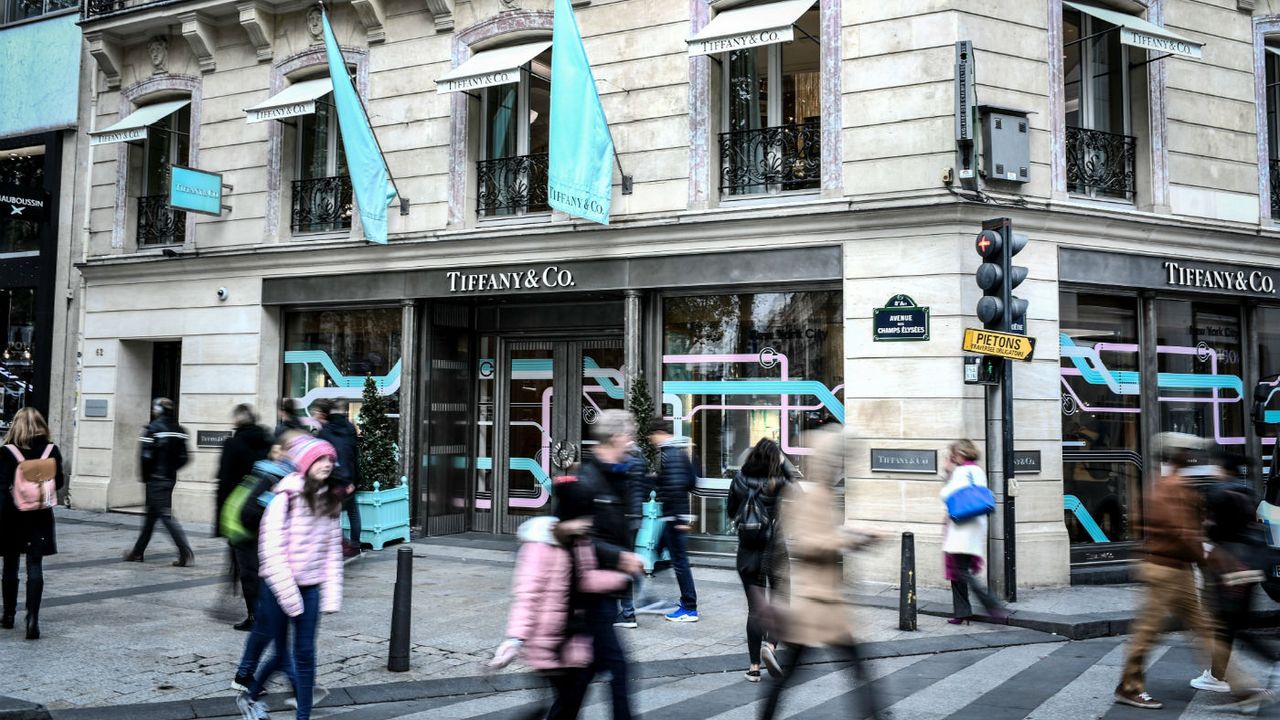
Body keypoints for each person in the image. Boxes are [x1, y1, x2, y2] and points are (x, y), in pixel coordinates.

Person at [1114, 433, 1261, 710]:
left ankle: (1242, 687)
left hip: (1177, 569)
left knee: (1206, 628)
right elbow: (1183, 533)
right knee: (1149, 631)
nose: (1194, 456)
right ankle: (1128, 687)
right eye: (1188, 451)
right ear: (1177, 454)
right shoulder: (1170, 486)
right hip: (1163, 569)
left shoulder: (1174, 484)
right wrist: (1216, 559)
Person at [760, 425, 883, 720]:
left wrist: (851, 536)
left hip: (824, 602)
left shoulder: (823, 494)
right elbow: (806, 543)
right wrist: (850, 537)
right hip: (814, 603)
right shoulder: (809, 496)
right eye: (837, 460)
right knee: (851, 670)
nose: (840, 467)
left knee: (850, 669)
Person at [236, 436, 343, 720]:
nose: (327, 465)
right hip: (278, 587)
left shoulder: (331, 500)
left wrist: (331, 594)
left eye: (330, 459)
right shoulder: (285, 497)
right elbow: (271, 551)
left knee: (305, 655)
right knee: (282, 653)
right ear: (306, 463)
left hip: (310, 586)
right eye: (321, 459)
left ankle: (302, 717)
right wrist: (290, 596)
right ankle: (250, 696)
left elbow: (332, 552)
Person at [489, 514, 630, 719]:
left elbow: (586, 579)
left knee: (570, 702)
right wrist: (514, 640)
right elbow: (526, 597)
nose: (587, 526)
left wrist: (621, 579)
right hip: (547, 644)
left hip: (573, 641)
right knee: (569, 702)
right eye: (581, 520)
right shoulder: (537, 548)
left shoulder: (579, 543)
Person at [559, 409, 644, 720]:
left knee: (587, 672)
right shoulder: (585, 481)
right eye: (630, 436)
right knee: (616, 666)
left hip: (604, 587)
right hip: (586, 592)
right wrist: (619, 556)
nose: (632, 443)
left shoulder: (616, 475)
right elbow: (571, 534)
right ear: (616, 437)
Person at [1186, 452, 1280, 703]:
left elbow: (1212, 532)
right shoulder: (1247, 492)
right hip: (1250, 566)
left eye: (1216, 466)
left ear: (1223, 469)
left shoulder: (1217, 493)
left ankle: (1258, 674)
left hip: (1230, 569)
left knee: (1231, 625)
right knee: (1232, 624)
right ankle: (1217, 675)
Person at [727, 438, 791, 682]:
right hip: (775, 550)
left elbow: (732, 511)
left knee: (755, 610)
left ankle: (754, 667)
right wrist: (784, 463)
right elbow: (799, 487)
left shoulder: (739, 480)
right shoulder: (779, 481)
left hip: (747, 552)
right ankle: (770, 646)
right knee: (780, 602)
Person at [1, 408, 65, 640]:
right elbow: (58, 483)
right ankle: (33, 618)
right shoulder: (51, 450)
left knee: (10, 565)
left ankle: (8, 615)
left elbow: (1, 487)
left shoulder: (7, 452)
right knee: (34, 565)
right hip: (40, 514)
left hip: (12, 515)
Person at [216, 404, 272, 631]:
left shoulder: (233, 443)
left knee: (245, 567)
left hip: (238, 512)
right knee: (259, 564)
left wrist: (221, 521)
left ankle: (253, 615)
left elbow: (224, 483)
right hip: (264, 512)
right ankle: (261, 607)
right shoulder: (268, 440)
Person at [940, 440, 1006, 625]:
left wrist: (947, 472)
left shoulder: (960, 472)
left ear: (960, 454)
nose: (952, 458)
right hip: (975, 525)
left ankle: (991, 604)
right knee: (959, 570)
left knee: (961, 571)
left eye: (953, 455)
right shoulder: (977, 470)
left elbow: (946, 495)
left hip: (962, 527)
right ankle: (961, 612)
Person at [126, 398, 194, 567]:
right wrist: (171, 469)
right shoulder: (179, 430)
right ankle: (137, 552)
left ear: (158, 410)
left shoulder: (153, 428)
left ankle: (184, 551)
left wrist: (145, 477)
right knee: (150, 517)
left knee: (164, 516)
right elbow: (185, 457)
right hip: (169, 479)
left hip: (155, 480)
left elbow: (145, 457)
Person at [649, 418, 700, 623]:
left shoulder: (669, 454)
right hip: (674, 515)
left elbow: (677, 484)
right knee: (668, 555)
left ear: (659, 433)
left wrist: (680, 517)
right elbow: (690, 481)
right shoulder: (678, 452)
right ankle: (687, 604)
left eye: (652, 435)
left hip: (674, 516)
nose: (651, 439)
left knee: (680, 563)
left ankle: (689, 607)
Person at [313, 399, 361, 559]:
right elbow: (354, 455)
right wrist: (354, 480)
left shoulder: (325, 432)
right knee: (353, 513)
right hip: (349, 478)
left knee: (332, 513)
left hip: (332, 478)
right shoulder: (349, 428)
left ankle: (335, 547)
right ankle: (355, 544)